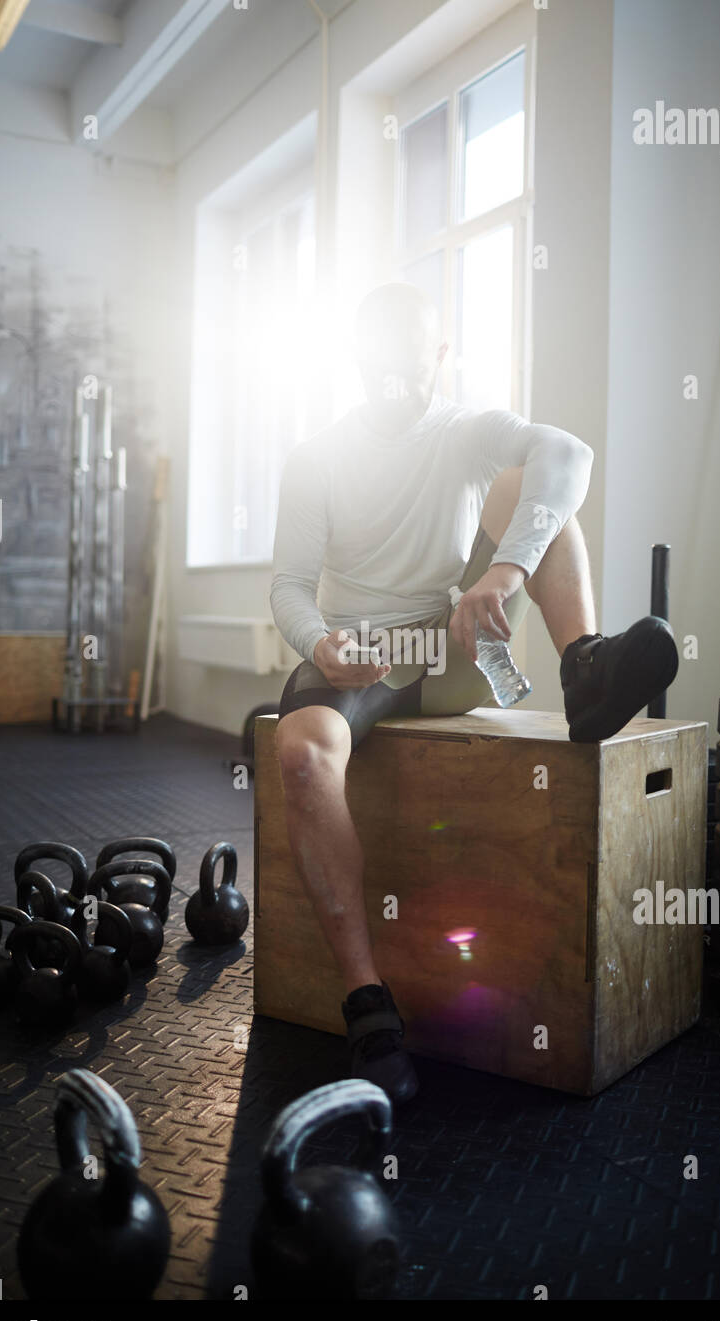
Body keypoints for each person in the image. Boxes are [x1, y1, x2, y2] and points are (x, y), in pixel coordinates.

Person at [270, 282, 678, 1105]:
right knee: (303, 759)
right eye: (381, 359)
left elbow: (571, 455)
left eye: (413, 357)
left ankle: (585, 668)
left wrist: (505, 567)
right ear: (360, 362)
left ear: (439, 354)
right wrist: (321, 643)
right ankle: (367, 1004)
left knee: (532, 480)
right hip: (360, 658)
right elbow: (286, 585)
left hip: (450, 649)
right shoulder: (317, 457)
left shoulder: (463, 430)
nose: (398, 375)